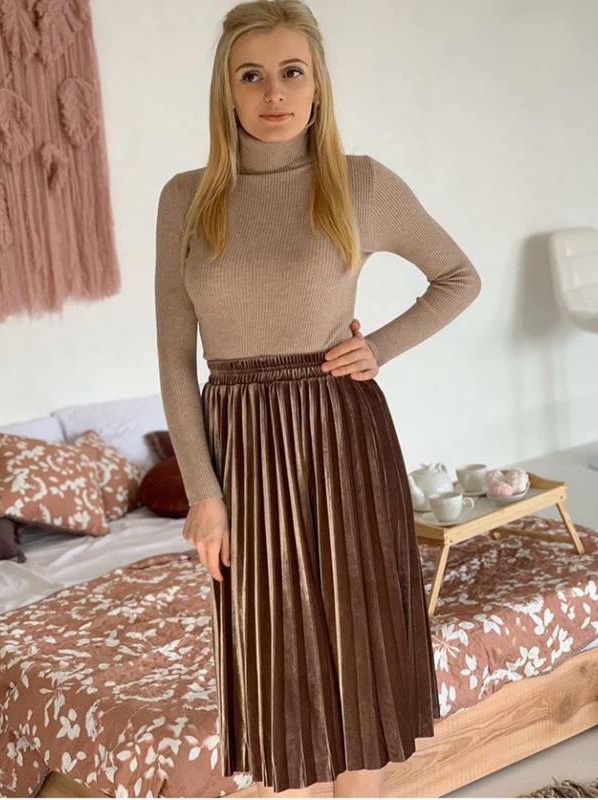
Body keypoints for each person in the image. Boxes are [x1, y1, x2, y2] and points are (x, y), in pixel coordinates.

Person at [154, 1, 481, 796]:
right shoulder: (186, 198)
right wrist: (204, 494)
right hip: (241, 448)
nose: (274, 92)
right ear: (227, 90)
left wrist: (381, 347)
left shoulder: (359, 182)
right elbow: (173, 357)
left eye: (291, 71)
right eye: (252, 75)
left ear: (317, 84)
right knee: (279, 673)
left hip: (341, 439)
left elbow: (458, 277)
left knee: (357, 664)